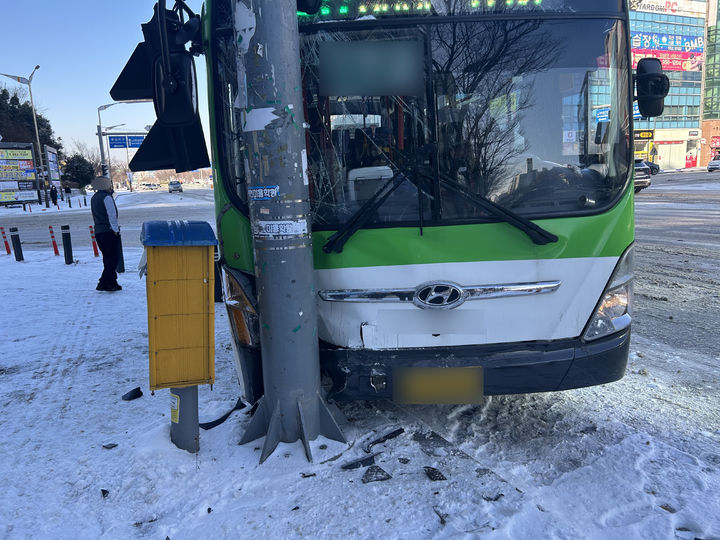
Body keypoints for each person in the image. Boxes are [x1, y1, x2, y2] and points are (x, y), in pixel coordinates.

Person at [90, 176, 122, 292]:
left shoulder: (94, 198)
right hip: (108, 231)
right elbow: (111, 215)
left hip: (98, 231)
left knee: (107, 258)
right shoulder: (106, 198)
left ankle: (111, 282)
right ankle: (104, 283)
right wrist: (115, 230)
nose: (111, 188)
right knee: (113, 259)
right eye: (109, 185)